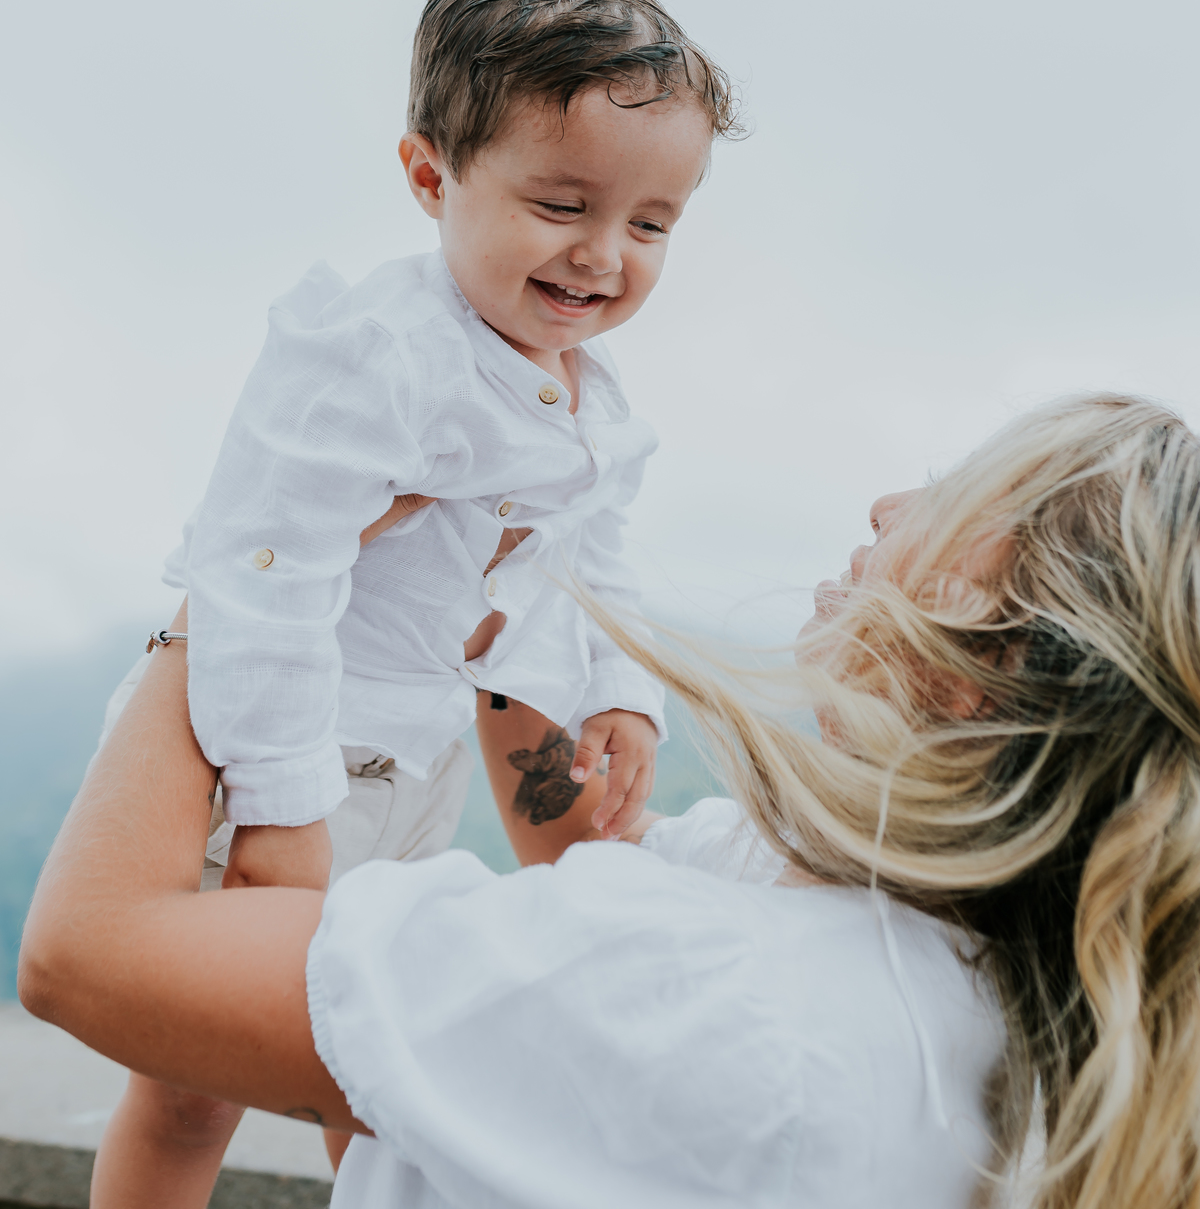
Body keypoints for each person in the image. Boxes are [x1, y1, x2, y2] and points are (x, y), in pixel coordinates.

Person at [23, 392, 1200, 1208]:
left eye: (950, 491)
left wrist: (257, 569)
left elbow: (91, 952)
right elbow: (597, 862)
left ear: (993, 643)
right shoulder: (1003, 985)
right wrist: (501, 607)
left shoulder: (706, 1002)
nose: (890, 505)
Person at [88, 0, 742, 1204]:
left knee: (378, 1065)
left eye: (651, 223)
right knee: (190, 1083)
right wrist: (280, 809)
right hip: (271, 758)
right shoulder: (375, 354)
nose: (604, 256)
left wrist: (625, 696)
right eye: (564, 206)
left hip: (416, 766)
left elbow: (594, 555)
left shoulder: (586, 393)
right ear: (430, 176)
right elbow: (261, 575)